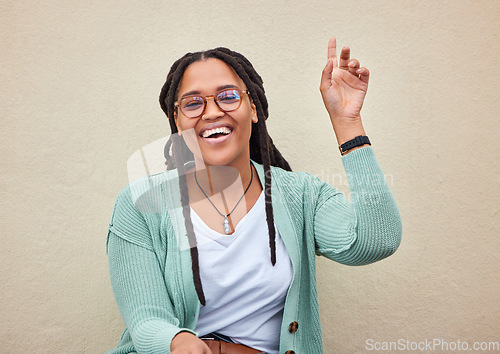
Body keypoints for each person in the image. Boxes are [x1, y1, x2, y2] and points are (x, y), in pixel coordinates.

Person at [106, 37, 402, 354]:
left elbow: (376, 240)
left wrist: (348, 123)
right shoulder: (141, 203)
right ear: (177, 121)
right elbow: (146, 321)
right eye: (193, 103)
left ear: (254, 109)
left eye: (228, 96)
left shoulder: (301, 195)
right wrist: (179, 342)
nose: (211, 112)